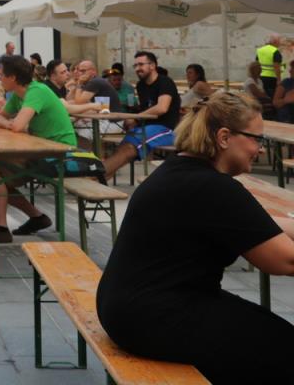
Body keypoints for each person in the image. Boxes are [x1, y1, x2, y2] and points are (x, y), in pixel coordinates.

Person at [96, 92, 294, 382]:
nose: (260, 150)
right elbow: (285, 261)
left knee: (270, 332)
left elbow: (260, 225)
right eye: (256, 139)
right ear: (224, 137)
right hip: (152, 316)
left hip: (128, 307)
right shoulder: (213, 188)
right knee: (285, 351)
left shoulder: (181, 171)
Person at [0, 54, 82, 244]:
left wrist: (11, 124)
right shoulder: (18, 94)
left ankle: (1, 229)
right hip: (42, 150)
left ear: (13, 77)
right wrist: (10, 123)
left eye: (1, 75)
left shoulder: (36, 91)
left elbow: (17, 126)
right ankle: (36, 218)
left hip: (62, 154)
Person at [101, 51, 182, 180]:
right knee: (123, 147)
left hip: (166, 129)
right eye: (135, 65)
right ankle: (101, 179)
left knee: (129, 148)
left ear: (152, 65)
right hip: (146, 127)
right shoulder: (141, 85)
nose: (137, 68)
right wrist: (134, 120)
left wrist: (136, 117)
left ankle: (96, 177)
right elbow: (146, 108)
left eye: (141, 64)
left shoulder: (165, 82)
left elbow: (162, 108)